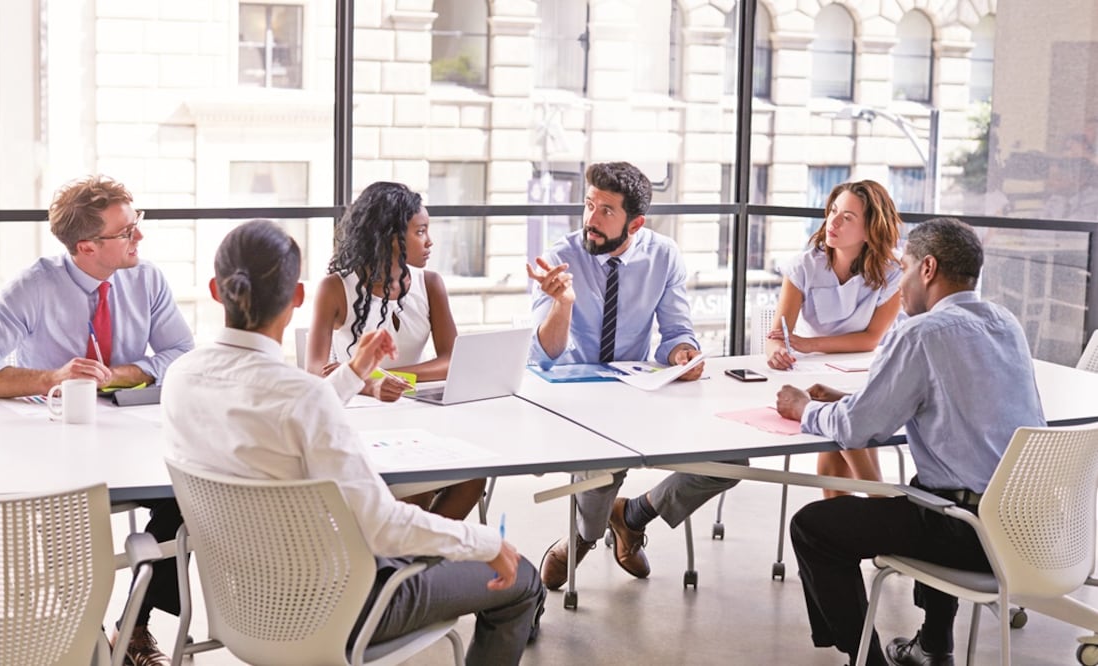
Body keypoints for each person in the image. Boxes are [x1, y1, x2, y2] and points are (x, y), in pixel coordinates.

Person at [162, 219, 545, 664]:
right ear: (297, 297)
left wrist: (354, 373)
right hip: (341, 609)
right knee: (523, 580)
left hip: (243, 605)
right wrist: (487, 543)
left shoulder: (181, 376)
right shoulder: (301, 397)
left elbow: (291, 407)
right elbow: (383, 527)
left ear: (215, 290)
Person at [775, 217, 1045, 666]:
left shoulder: (921, 332)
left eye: (904, 268)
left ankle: (868, 660)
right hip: (1031, 524)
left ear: (928, 269)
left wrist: (803, 409)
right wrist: (860, 399)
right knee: (928, 488)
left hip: (973, 534)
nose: (899, 282)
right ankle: (933, 646)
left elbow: (856, 430)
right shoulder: (1005, 323)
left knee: (814, 527)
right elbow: (957, 400)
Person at [0, 175, 195, 665]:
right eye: (126, 231)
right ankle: (83, 634)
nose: (139, 236)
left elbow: (182, 353)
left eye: (136, 222)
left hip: (132, 438)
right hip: (57, 447)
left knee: (187, 494)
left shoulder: (146, 278)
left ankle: (133, 627)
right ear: (86, 246)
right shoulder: (33, 286)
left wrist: (121, 373)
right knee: (72, 522)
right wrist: (52, 377)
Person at [527, 161, 745, 589]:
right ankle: (582, 539)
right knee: (603, 464)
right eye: (589, 204)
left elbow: (677, 332)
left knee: (730, 461)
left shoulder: (663, 255)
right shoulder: (559, 259)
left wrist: (683, 353)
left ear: (636, 222)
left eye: (606, 210)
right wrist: (563, 304)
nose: (591, 218)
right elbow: (544, 355)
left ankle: (633, 514)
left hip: (637, 390)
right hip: (574, 396)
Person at [308, 181, 486, 520]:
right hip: (359, 418)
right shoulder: (335, 288)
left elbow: (452, 360)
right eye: (420, 232)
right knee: (417, 486)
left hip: (416, 414)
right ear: (390, 237)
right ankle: (409, 550)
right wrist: (369, 384)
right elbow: (315, 373)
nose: (430, 241)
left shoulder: (430, 284)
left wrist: (385, 376)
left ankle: (419, 551)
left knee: (473, 478)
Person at [766, 180, 903, 497]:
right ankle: (879, 502)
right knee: (841, 428)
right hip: (814, 374)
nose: (833, 222)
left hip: (866, 371)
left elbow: (870, 339)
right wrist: (777, 351)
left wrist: (808, 344)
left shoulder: (893, 271)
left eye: (847, 217)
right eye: (833, 212)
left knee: (844, 420)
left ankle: (877, 503)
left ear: (870, 230)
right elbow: (778, 336)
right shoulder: (803, 267)